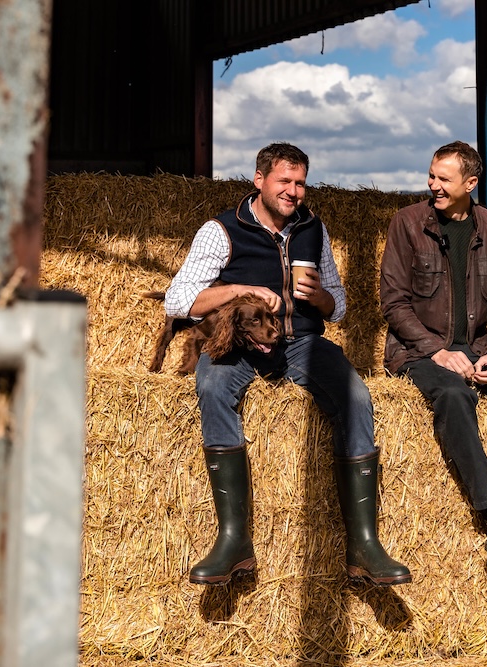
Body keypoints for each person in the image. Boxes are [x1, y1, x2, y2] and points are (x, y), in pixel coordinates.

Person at [165, 142, 411, 587]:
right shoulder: (220, 230)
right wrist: (239, 290)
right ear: (259, 180)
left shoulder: (315, 230)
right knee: (213, 388)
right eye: (284, 181)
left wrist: (319, 297)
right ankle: (233, 541)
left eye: (300, 183)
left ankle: (364, 546)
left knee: (356, 395)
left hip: (300, 342)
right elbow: (179, 300)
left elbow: (337, 307)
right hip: (238, 343)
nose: (294, 191)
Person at [379, 140, 487, 579]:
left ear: (470, 183)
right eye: (431, 175)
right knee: (454, 396)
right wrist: (437, 350)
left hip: (479, 349)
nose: (432, 185)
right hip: (419, 351)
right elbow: (394, 304)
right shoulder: (407, 224)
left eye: (443, 178)